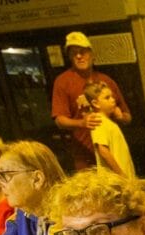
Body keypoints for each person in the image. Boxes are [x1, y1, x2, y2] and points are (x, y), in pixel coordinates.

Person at [51, 31, 131, 171]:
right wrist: (81, 123)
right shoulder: (63, 82)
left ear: (91, 53)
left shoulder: (106, 81)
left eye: (83, 51)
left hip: (114, 151)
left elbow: (127, 116)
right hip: (84, 157)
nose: (79, 56)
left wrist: (121, 116)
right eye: (74, 53)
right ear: (69, 57)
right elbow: (59, 120)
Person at [85, 82, 136, 178]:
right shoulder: (98, 121)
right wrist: (120, 174)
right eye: (107, 98)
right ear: (95, 103)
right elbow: (103, 150)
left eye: (112, 96)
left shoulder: (108, 122)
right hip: (115, 181)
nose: (113, 100)